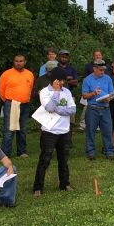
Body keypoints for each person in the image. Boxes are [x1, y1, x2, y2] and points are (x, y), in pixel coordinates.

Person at [33, 67, 76, 195]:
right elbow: (50, 108)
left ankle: (65, 184)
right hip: (49, 131)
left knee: (64, 159)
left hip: (64, 131)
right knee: (45, 160)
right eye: (60, 80)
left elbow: (72, 110)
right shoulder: (45, 92)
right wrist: (56, 93)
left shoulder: (67, 92)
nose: (62, 83)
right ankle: (38, 187)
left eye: (64, 81)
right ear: (54, 80)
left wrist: (60, 110)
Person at [0, 54, 35, 158]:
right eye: (16, 61)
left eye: (21, 61)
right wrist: (8, 101)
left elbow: (30, 88)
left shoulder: (29, 74)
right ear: (13, 62)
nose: (19, 63)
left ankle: (21, 151)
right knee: (9, 130)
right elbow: (0, 90)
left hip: (25, 105)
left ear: (25, 62)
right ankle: (5, 153)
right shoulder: (6, 74)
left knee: (22, 130)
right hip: (11, 104)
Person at [82, 59, 114, 160]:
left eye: (103, 70)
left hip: (105, 108)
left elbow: (112, 93)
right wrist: (93, 93)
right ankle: (91, 152)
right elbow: (84, 95)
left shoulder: (108, 79)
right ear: (94, 68)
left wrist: (109, 98)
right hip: (92, 109)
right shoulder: (87, 80)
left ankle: (109, 152)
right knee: (91, 131)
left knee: (107, 131)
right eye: (100, 70)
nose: (102, 72)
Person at [79, 51, 107, 131]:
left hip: (102, 90)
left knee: (100, 107)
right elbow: (85, 77)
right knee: (86, 107)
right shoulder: (89, 66)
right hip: (89, 90)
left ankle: (97, 126)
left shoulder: (105, 66)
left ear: (101, 56)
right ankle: (82, 124)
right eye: (96, 55)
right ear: (93, 57)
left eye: (99, 55)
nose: (98, 56)